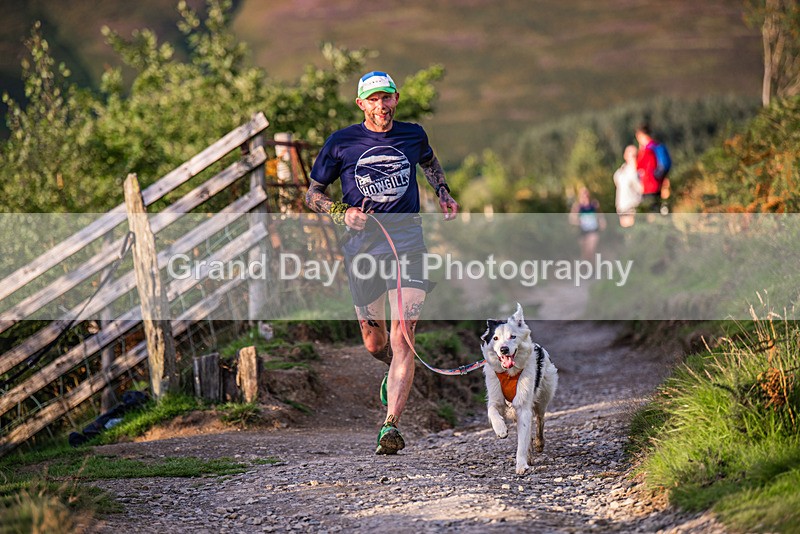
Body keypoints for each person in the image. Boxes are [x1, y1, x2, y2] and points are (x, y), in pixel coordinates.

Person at [305, 71, 459, 455]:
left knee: (402, 336)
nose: (381, 106)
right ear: (361, 104)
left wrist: (443, 193)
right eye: (373, 99)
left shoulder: (413, 134)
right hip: (363, 249)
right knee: (376, 345)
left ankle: (390, 426)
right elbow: (312, 194)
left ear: (396, 99)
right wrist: (342, 212)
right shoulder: (341, 142)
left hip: (408, 243)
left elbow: (430, 162)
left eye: (386, 98)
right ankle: (391, 367)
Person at [635, 124, 670, 213]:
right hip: (656, 185)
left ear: (641, 135)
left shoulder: (648, 150)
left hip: (650, 186)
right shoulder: (658, 146)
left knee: (651, 212)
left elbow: (638, 166)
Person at [569, 187, 606, 261]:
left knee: (591, 250)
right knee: (585, 254)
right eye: (583, 194)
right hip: (582, 231)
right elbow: (571, 219)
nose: (585, 196)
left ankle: (594, 270)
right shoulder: (577, 206)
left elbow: (600, 215)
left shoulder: (594, 204)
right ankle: (586, 269)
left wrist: (602, 222)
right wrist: (578, 221)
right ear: (580, 195)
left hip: (593, 230)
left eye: (586, 193)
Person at [613, 145, 643, 227]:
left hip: (633, 208)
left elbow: (641, 189)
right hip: (622, 208)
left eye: (635, 155)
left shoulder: (640, 172)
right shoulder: (620, 172)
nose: (633, 158)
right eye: (631, 155)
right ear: (625, 155)